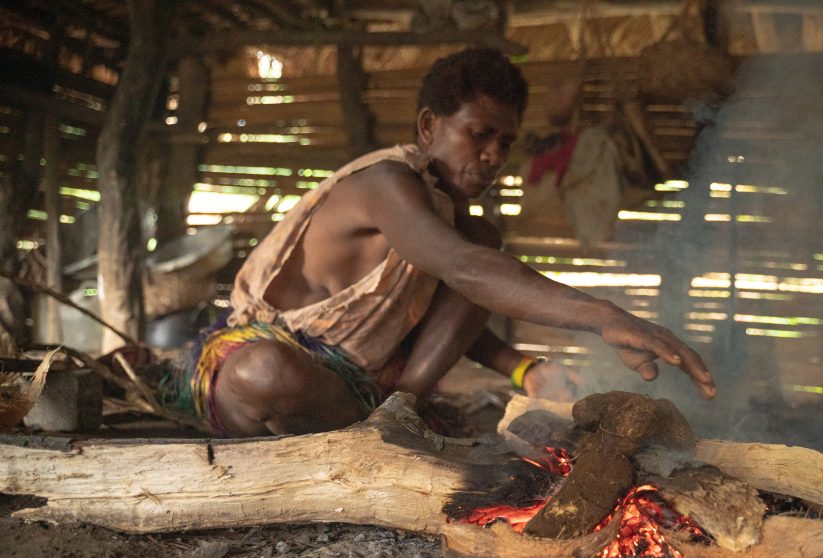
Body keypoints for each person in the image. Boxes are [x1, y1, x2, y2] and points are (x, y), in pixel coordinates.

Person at [173, 48, 715, 437]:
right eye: (479, 134)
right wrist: (602, 314)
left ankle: (396, 416)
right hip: (264, 368)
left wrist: (525, 371)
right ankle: (384, 425)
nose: (492, 156)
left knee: (482, 242)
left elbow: (448, 305)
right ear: (429, 126)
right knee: (266, 369)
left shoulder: (453, 219)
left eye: (504, 143)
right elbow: (465, 270)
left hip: (359, 387)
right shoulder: (386, 184)